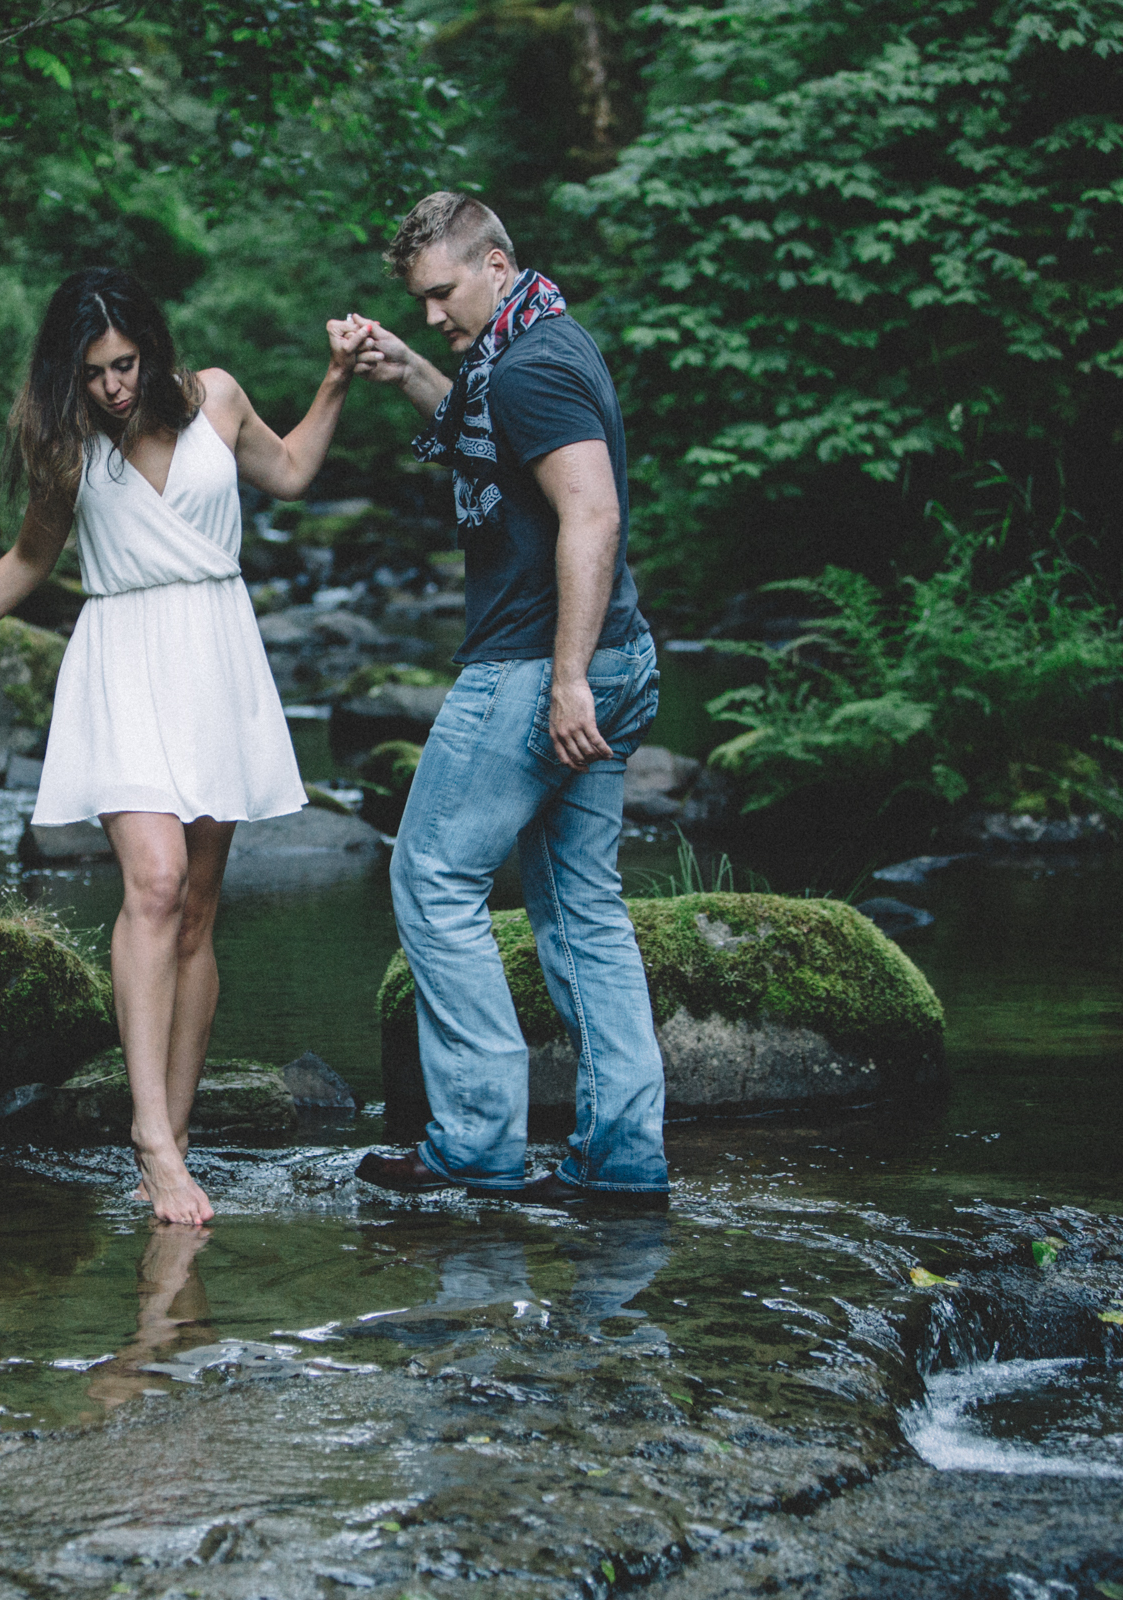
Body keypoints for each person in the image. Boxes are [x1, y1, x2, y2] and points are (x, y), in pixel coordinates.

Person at [0, 267, 369, 1226]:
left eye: (126, 364)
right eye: (94, 371)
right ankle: (149, 1133)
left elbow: (295, 473)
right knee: (153, 884)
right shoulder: (66, 445)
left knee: (196, 911)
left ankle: (170, 1148)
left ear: (153, 347)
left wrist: (336, 379)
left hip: (217, 654)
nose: (113, 386)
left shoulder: (216, 397)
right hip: (124, 659)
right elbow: (29, 557)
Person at [346, 192, 670, 1210]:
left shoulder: (528, 367)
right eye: (421, 302)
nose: (433, 313)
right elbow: (489, 440)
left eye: (442, 294)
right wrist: (406, 371)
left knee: (434, 876)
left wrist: (567, 676)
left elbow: (592, 512)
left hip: (539, 664)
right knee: (583, 909)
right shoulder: (541, 343)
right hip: (607, 658)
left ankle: (477, 1140)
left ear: (494, 263)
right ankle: (621, 1158)